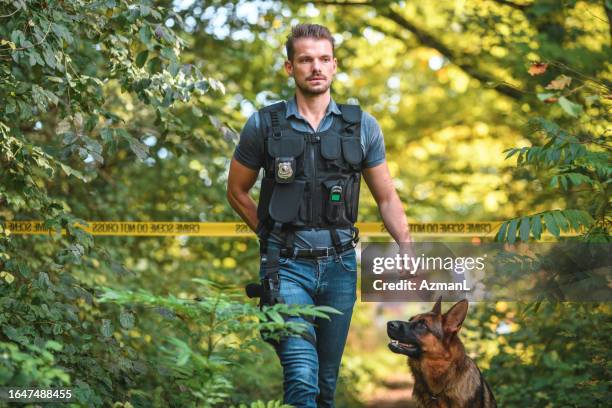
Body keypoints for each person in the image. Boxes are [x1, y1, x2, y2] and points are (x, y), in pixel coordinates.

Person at [227, 23, 414, 408]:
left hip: (340, 267)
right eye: (306, 59)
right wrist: (268, 236)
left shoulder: (361, 126)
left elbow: (387, 197)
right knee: (300, 373)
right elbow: (236, 190)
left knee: (325, 384)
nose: (316, 67)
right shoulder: (264, 124)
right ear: (289, 67)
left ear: (335, 66)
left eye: (324, 59)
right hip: (286, 268)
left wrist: (406, 246)